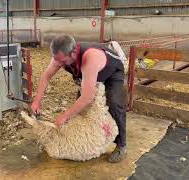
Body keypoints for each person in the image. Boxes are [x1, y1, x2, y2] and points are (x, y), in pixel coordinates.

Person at [31, 34, 127, 163]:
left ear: (74, 52)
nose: (59, 64)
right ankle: (86, 140)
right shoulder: (60, 57)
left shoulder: (90, 57)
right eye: (57, 60)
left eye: (63, 61)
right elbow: (46, 76)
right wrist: (37, 101)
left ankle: (121, 145)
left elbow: (88, 97)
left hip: (111, 72)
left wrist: (65, 115)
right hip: (86, 74)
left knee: (114, 103)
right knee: (81, 111)